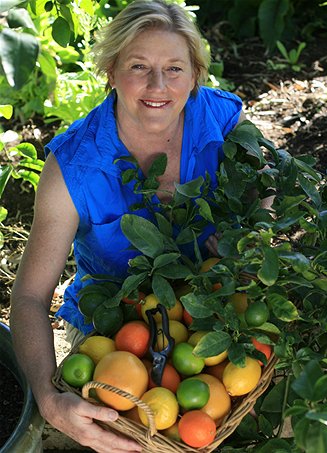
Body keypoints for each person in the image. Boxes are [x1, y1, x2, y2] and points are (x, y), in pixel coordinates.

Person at [10, 1, 246, 451]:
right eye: (139, 66)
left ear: (195, 75)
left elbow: (268, 185)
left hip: (211, 299)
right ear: (111, 71)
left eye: (174, 68)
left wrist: (245, 239)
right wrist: (46, 397)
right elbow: (29, 296)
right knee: (127, 436)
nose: (158, 86)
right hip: (113, 322)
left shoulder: (222, 121)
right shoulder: (74, 166)